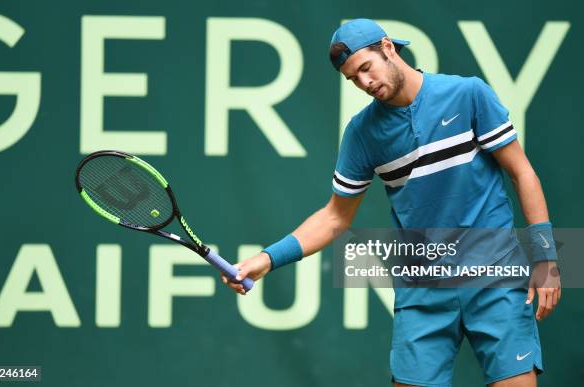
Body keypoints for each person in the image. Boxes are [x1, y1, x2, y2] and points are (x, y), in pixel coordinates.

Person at [221, 18, 561, 387]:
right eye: (353, 78)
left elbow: (522, 173)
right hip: (422, 289)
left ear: (387, 48)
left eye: (366, 68)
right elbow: (335, 218)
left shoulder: (468, 95)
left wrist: (545, 257)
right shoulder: (362, 133)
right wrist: (267, 259)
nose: (364, 83)